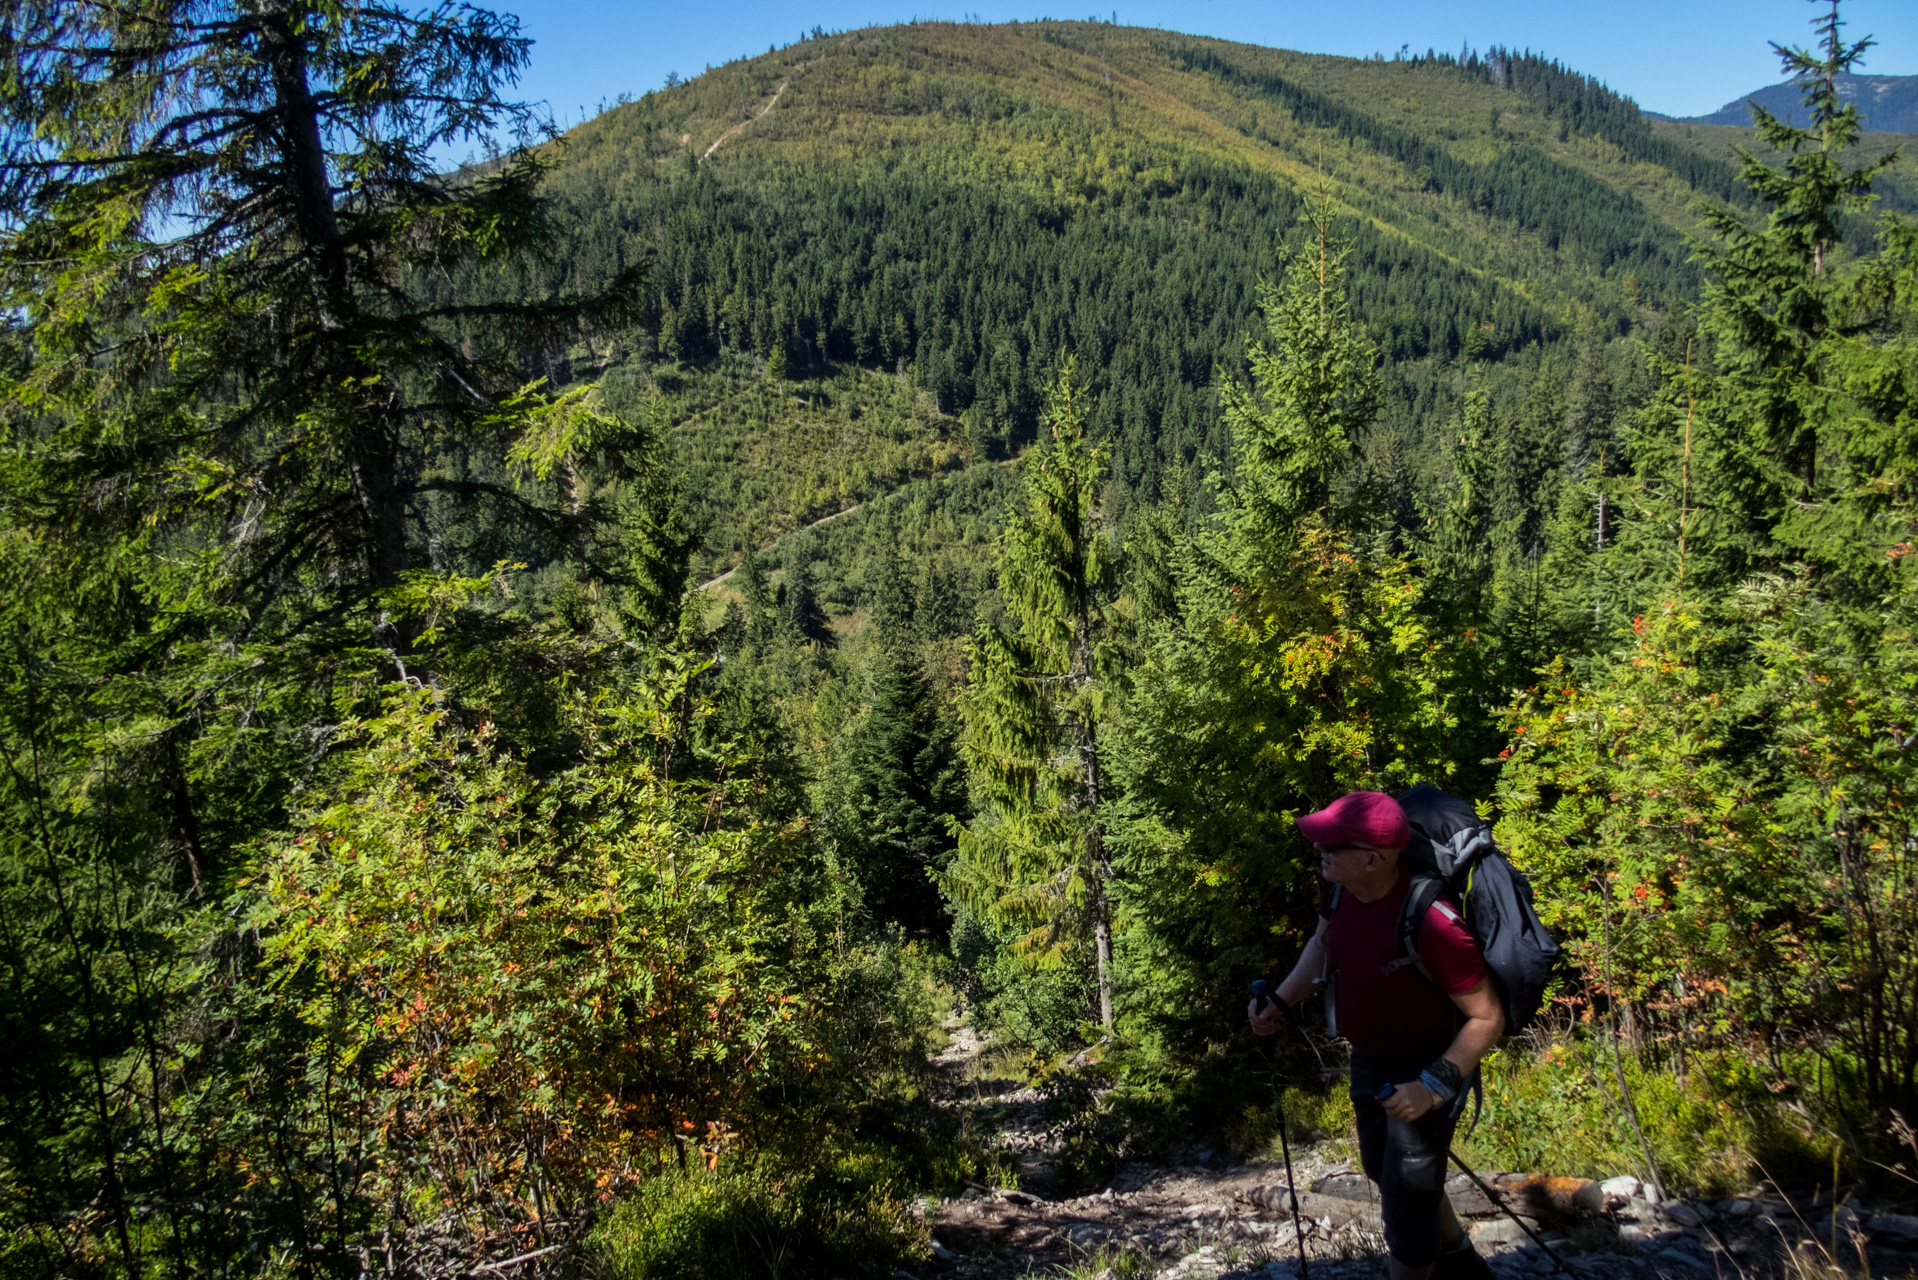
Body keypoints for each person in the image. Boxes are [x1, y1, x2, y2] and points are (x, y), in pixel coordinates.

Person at [1249, 790, 1502, 1280]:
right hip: (1370, 1057)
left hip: (1428, 1067)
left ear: (1373, 858)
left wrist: (1432, 1087)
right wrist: (1280, 1001)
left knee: (1406, 1202)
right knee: (1381, 1169)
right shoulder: (1340, 889)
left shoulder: (1433, 923)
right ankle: (1463, 1265)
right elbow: (1324, 943)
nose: (1319, 851)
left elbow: (1487, 1017)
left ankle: (1426, 1262)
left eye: (1331, 846)